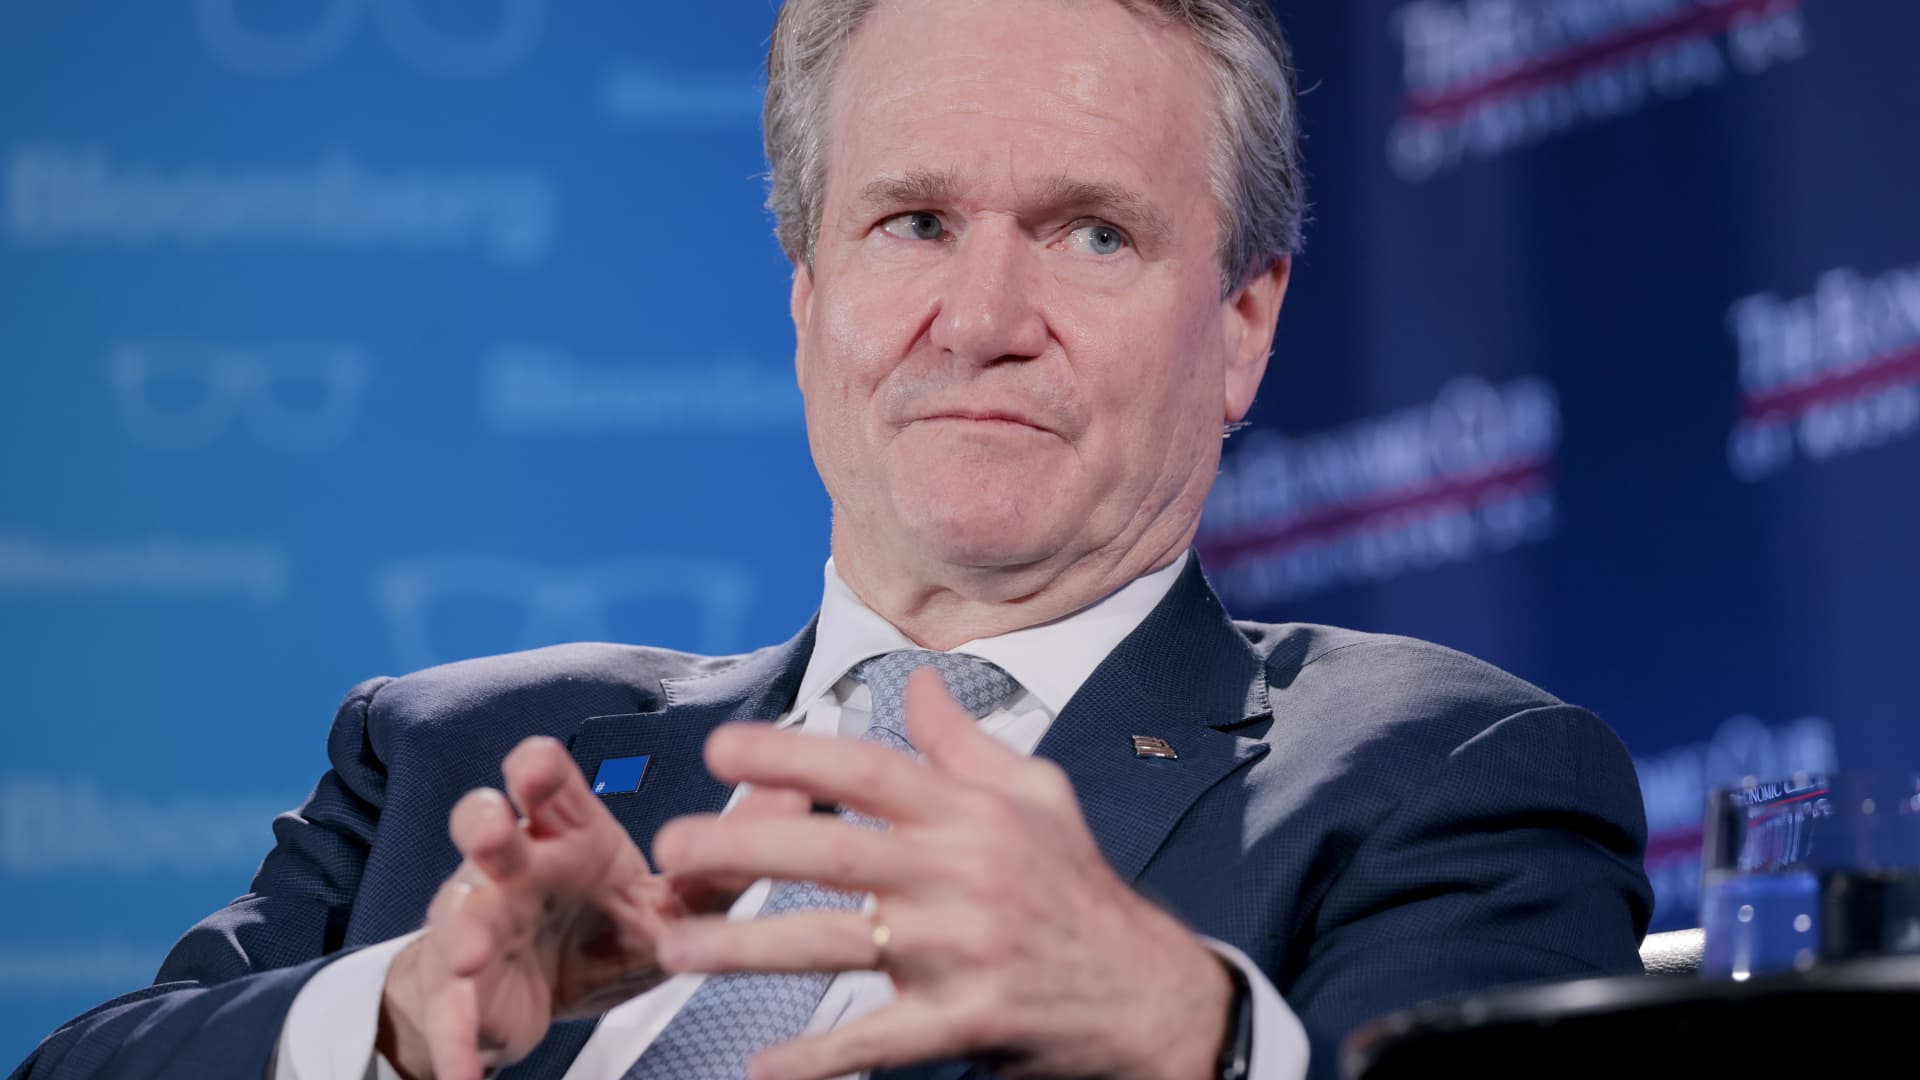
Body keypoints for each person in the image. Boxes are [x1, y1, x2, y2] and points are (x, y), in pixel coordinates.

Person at [10, 0, 1653, 1078]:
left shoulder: (1444, 780)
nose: (983, 318)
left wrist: (1188, 1033)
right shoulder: (455, 756)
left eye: (1091, 232)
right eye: (913, 221)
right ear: (808, 304)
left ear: (1242, 324)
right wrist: (395, 1018)